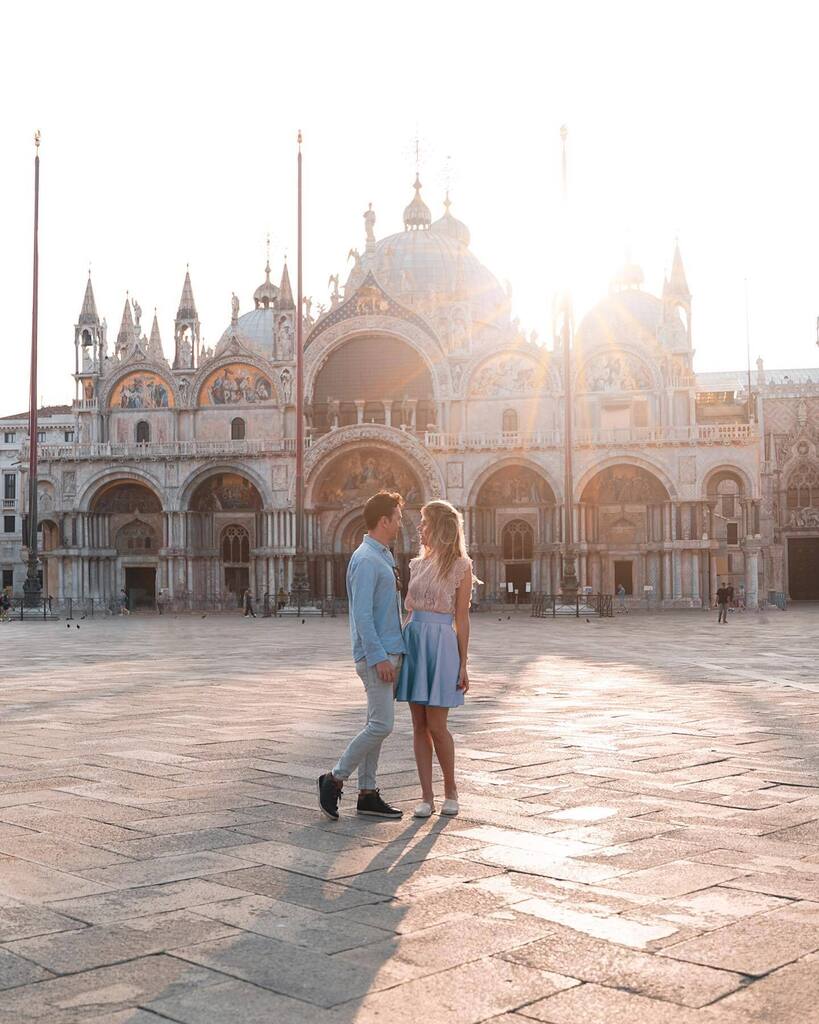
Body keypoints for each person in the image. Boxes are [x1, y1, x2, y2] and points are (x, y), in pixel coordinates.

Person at [318, 491, 406, 821]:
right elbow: (363, 615)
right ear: (384, 520)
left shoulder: (381, 555)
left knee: (375, 724)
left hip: (387, 651)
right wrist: (378, 657)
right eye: (397, 517)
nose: (400, 523)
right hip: (377, 656)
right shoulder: (367, 559)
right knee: (382, 724)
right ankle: (334, 778)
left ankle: (367, 793)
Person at [397, 500, 476, 818]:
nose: (419, 528)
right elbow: (409, 611)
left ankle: (451, 790)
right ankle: (426, 797)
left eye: (425, 522)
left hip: (442, 644)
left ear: (441, 526)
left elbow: (462, 618)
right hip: (414, 640)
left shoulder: (461, 565)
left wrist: (463, 662)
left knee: (437, 725)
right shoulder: (416, 564)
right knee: (418, 725)